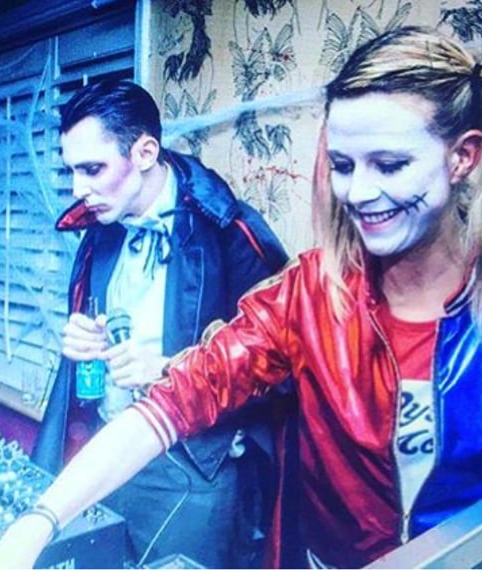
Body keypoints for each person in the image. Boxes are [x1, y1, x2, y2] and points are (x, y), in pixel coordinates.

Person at [0, 27, 482, 569]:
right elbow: (176, 400)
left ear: (463, 157)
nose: (359, 192)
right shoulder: (310, 293)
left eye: (390, 164)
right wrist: (33, 528)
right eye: (343, 165)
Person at [29, 79, 289, 568]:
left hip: (194, 468)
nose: (78, 190)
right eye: (72, 171)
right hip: (106, 449)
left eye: (92, 169)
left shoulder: (232, 234)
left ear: (145, 152)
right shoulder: (99, 230)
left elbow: (284, 371)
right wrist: (79, 340)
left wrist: (169, 368)